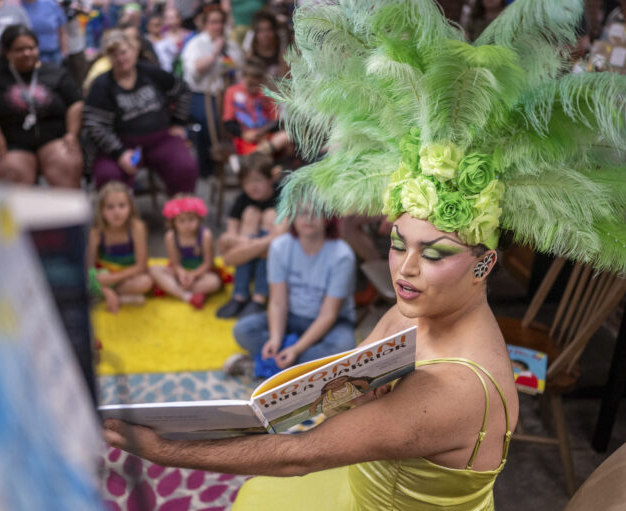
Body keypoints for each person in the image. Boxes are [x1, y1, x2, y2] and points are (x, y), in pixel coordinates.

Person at [103, 0, 626, 508]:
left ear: (485, 264)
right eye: (399, 242)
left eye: (435, 252)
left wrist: (162, 449)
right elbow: (358, 377)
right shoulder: (418, 300)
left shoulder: (456, 388)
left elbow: (296, 457)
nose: (406, 268)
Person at [232, 208, 357, 371]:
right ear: (291, 216)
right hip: (291, 316)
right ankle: (297, 368)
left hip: (332, 323)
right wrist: (275, 339)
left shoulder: (342, 255)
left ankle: (265, 364)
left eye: (316, 212)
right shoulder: (280, 247)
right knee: (242, 330)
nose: (308, 218)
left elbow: (328, 315)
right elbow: (278, 303)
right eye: (302, 212)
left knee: (343, 347)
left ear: (328, 217)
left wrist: (296, 349)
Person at [83, 29, 199, 194]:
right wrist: (119, 153)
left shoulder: (149, 72)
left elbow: (182, 90)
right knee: (108, 176)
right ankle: (120, 218)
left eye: (124, 52)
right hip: (120, 144)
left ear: (133, 50)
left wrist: (179, 122)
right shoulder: (102, 85)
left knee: (184, 167)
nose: (121, 58)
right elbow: (95, 125)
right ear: (108, 58)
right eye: (114, 55)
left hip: (161, 139)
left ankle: (181, 215)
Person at [0, 24, 84, 187]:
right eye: (20, 50)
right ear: (7, 53)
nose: (27, 53)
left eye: (32, 48)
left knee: (66, 164)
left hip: (53, 137)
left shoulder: (56, 73)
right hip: (11, 142)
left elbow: (75, 102)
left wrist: (72, 133)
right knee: (13, 172)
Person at [216, 153, 285, 319]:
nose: (252, 187)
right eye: (246, 182)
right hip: (259, 247)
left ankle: (259, 297)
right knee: (250, 213)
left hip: (275, 258)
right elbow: (228, 241)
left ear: (271, 178)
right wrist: (258, 242)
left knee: (269, 215)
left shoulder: (282, 196)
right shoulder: (243, 200)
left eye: (257, 180)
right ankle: (240, 295)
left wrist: (247, 243)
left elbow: (281, 241)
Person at [181, 5, 243, 177]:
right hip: (201, 94)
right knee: (211, 120)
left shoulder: (230, 45)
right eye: (214, 22)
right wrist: (215, 51)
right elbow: (196, 71)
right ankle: (209, 165)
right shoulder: (196, 43)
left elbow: (238, 70)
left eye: (221, 22)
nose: (218, 26)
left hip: (227, 94)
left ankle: (240, 161)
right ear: (205, 23)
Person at [88, 181, 153, 314]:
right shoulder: (96, 233)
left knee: (146, 281)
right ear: (101, 210)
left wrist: (114, 279)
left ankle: (113, 296)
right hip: (105, 277)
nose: (117, 212)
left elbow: (141, 265)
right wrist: (105, 288)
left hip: (128, 275)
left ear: (130, 207)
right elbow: (88, 268)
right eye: (110, 207)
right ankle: (112, 295)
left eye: (122, 206)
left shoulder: (137, 227)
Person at [149, 195, 222, 309]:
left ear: (199, 219)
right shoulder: (171, 236)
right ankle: (186, 296)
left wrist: (193, 275)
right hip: (180, 273)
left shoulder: (205, 235)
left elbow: (208, 263)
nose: (187, 225)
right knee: (153, 269)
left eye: (191, 219)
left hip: (201, 273)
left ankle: (172, 289)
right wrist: (181, 273)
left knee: (214, 282)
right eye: (181, 221)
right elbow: (175, 263)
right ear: (173, 222)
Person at [222, 58, 290, 156]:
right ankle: (258, 154)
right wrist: (243, 134)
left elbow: (276, 121)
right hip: (243, 138)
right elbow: (228, 122)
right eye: (250, 84)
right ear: (243, 78)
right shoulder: (232, 92)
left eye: (257, 85)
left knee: (287, 136)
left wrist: (262, 133)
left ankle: (257, 154)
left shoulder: (266, 94)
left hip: (266, 137)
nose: (253, 88)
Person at [241, 9, 288, 79]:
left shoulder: (283, 57)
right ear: (255, 34)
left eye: (269, 30)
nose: (265, 35)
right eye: (261, 31)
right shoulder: (249, 57)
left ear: (275, 32)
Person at [20, 0, 68, 64]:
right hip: (29, 55)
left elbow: (62, 31)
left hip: (54, 53)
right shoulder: (18, 6)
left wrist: (64, 53)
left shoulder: (50, 4)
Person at [154, 8, 192, 72]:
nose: (171, 21)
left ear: (180, 18)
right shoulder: (162, 36)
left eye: (173, 17)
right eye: (167, 18)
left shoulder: (189, 35)